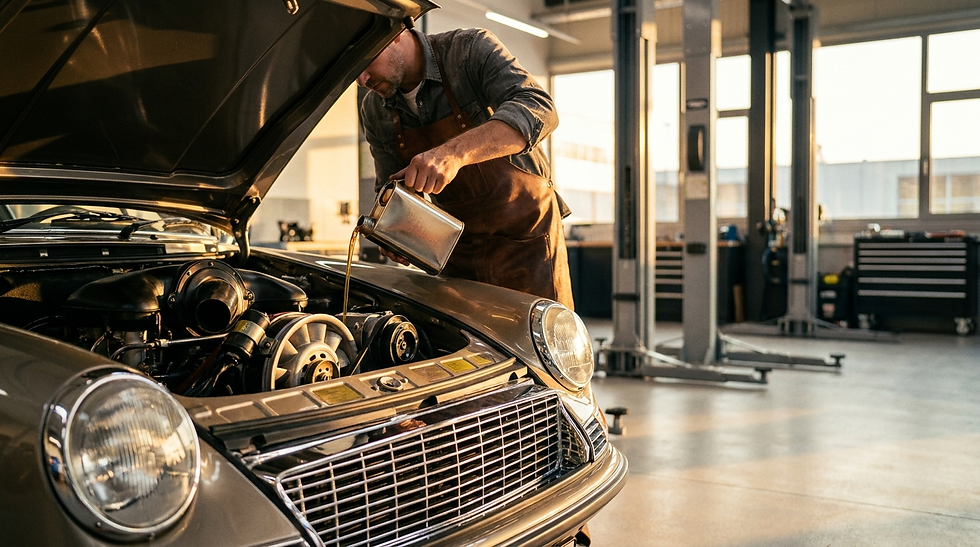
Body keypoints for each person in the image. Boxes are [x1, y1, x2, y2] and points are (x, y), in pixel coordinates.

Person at [357, 23, 575, 310]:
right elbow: (392, 193)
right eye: (354, 72)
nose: (362, 79)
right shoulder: (374, 111)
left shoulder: (469, 51)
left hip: (529, 244)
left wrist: (454, 154)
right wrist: (396, 230)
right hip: (458, 256)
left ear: (393, 31)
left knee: (541, 348)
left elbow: (539, 108)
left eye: (365, 62)